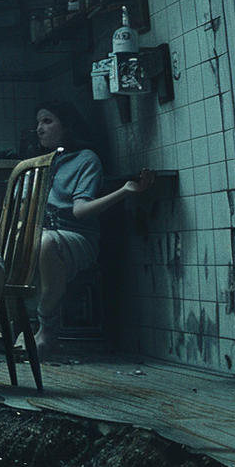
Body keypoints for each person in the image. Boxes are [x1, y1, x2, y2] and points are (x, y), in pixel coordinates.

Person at [31, 99, 153, 356]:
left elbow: (80, 211)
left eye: (47, 121)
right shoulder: (46, 161)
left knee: (45, 244)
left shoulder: (86, 159)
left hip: (75, 236)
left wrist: (124, 191)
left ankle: (46, 330)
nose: (39, 128)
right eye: (38, 122)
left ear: (67, 126)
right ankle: (17, 326)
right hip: (44, 234)